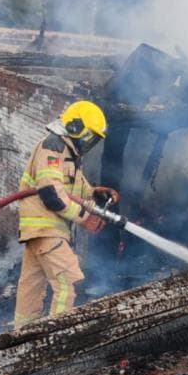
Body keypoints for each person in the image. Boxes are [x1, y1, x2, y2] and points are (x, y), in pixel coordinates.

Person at [13, 101, 119, 329]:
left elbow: (74, 190)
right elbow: (51, 192)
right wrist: (85, 217)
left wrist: (95, 193)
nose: (89, 143)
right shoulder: (54, 148)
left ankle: (20, 341)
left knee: (30, 292)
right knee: (69, 284)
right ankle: (55, 342)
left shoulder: (67, 153)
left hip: (40, 232)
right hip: (46, 229)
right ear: (76, 126)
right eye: (90, 137)